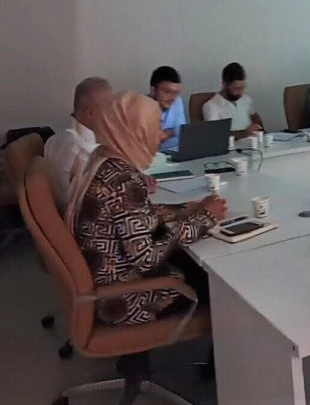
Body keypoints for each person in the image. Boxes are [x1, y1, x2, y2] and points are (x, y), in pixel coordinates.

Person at [65, 92, 228, 325]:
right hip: (125, 297)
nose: (161, 136)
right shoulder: (123, 180)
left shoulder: (104, 158)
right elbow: (146, 258)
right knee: (222, 287)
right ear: (135, 131)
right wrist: (205, 217)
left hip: (106, 281)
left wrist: (185, 209)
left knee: (191, 264)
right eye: (155, 128)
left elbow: (135, 215)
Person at [44, 77, 113, 209]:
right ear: (90, 113)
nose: (113, 114)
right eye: (109, 107)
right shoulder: (83, 151)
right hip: (83, 216)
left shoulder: (54, 140)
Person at [203, 62, 264, 139]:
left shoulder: (246, 99)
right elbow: (215, 135)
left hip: (253, 142)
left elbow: (256, 118)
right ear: (225, 84)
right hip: (232, 145)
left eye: (243, 87)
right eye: (237, 88)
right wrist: (245, 133)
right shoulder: (211, 106)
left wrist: (260, 129)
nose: (241, 92)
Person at [148, 66, 186, 153]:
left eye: (176, 92)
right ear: (153, 90)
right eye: (167, 92)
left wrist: (166, 133)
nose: (173, 98)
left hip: (172, 153)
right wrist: (169, 132)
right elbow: (149, 143)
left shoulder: (177, 101)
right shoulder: (140, 107)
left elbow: (181, 134)